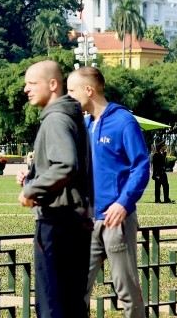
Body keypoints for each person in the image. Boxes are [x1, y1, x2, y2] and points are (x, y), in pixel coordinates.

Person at [68, 67, 149, 318]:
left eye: (72, 91)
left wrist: (123, 203)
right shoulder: (84, 125)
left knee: (126, 289)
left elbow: (141, 167)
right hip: (87, 221)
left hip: (116, 220)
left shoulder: (123, 121)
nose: (69, 97)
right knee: (74, 289)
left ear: (88, 90)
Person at [17, 60, 94, 318]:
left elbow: (66, 165)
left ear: (52, 84)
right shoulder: (70, 116)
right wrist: (32, 177)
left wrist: (31, 191)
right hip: (76, 221)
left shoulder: (55, 119)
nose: (26, 89)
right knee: (72, 305)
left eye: (32, 83)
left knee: (52, 305)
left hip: (57, 221)